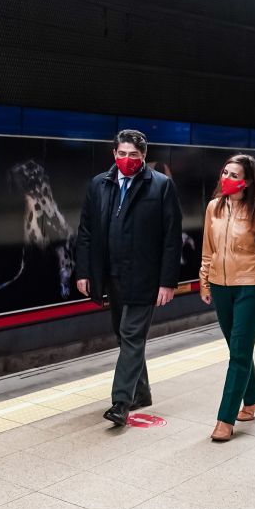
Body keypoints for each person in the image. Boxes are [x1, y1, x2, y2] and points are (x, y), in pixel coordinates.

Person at [75, 129, 182, 426]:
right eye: (121, 154)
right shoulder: (99, 184)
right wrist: (84, 271)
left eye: (133, 155)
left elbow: (171, 238)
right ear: (114, 154)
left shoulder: (160, 186)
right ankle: (142, 392)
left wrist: (167, 281)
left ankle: (121, 402)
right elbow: (86, 232)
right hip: (112, 275)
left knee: (132, 336)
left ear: (143, 156)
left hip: (145, 277)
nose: (126, 159)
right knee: (125, 337)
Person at [199, 155, 255, 441]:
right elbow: (207, 249)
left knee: (238, 353)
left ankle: (225, 419)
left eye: (234, 175)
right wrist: (204, 281)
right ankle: (253, 398)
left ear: (246, 182)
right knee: (238, 348)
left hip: (251, 287)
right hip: (219, 286)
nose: (226, 178)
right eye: (225, 172)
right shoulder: (214, 208)